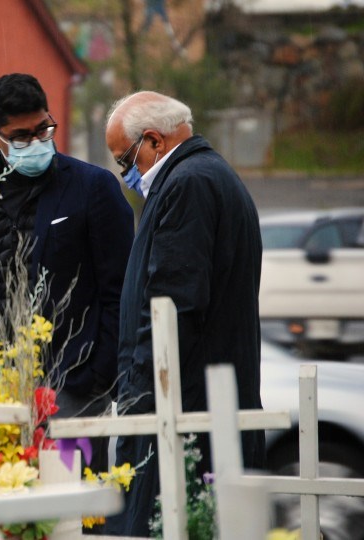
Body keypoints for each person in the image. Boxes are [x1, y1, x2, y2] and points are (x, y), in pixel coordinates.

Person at [0, 73, 134, 491]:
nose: (36, 142)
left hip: (72, 386)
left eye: (43, 129)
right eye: (21, 136)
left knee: (74, 514)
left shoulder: (93, 189)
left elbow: (121, 290)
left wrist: (93, 376)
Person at [104, 91, 265, 535]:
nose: (126, 174)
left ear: (153, 141)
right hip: (205, 403)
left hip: (185, 413)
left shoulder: (188, 184)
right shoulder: (210, 175)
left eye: (125, 161)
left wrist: (139, 405)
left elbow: (170, 309)